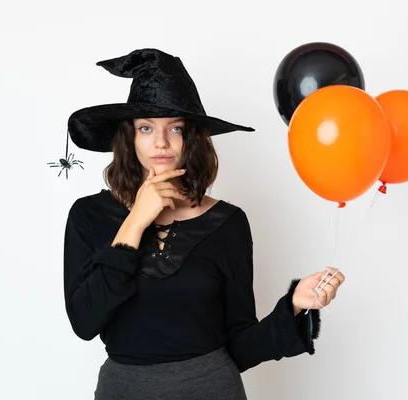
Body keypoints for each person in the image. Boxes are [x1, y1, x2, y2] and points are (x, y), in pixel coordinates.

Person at [63, 48, 345, 400]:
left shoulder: (228, 223)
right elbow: (84, 322)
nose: (161, 142)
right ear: (129, 137)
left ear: (191, 137)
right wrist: (136, 220)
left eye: (175, 128)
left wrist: (293, 307)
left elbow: (240, 346)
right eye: (146, 128)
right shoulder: (89, 216)